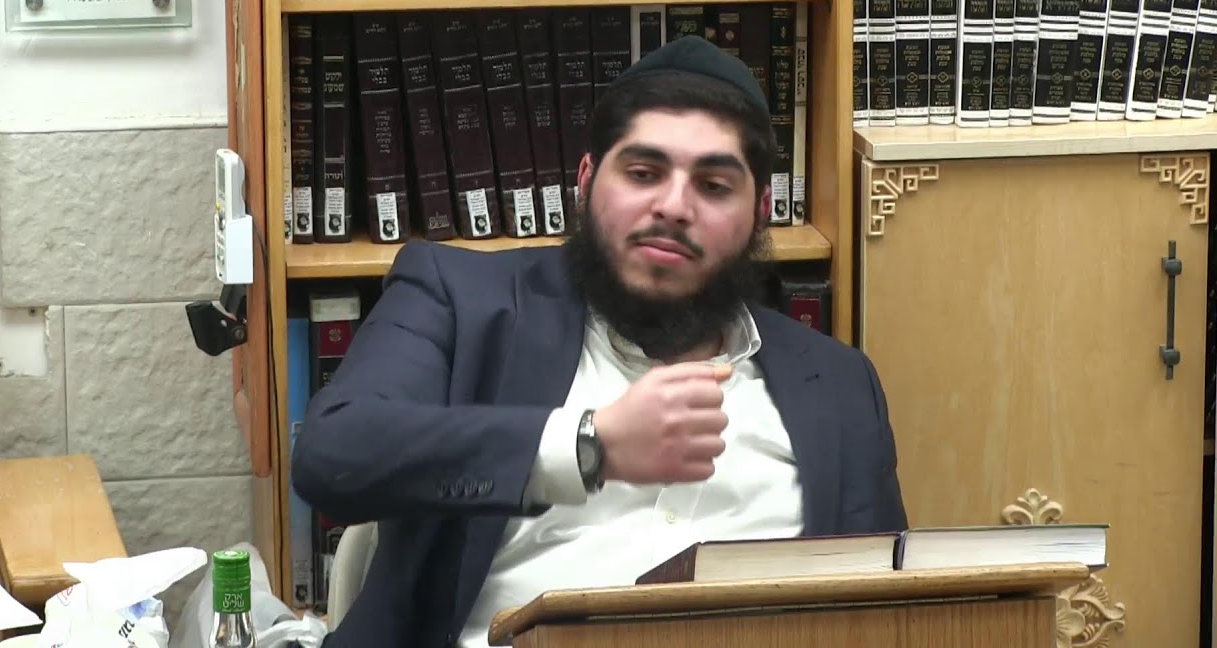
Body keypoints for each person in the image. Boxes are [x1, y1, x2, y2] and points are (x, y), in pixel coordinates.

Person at [291, 34, 908, 648]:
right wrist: (587, 445)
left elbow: (891, 610)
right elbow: (333, 454)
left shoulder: (841, 386)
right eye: (643, 173)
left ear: (761, 212)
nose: (674, 206)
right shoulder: (462, 300)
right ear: (585, 181)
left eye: (714, 186)